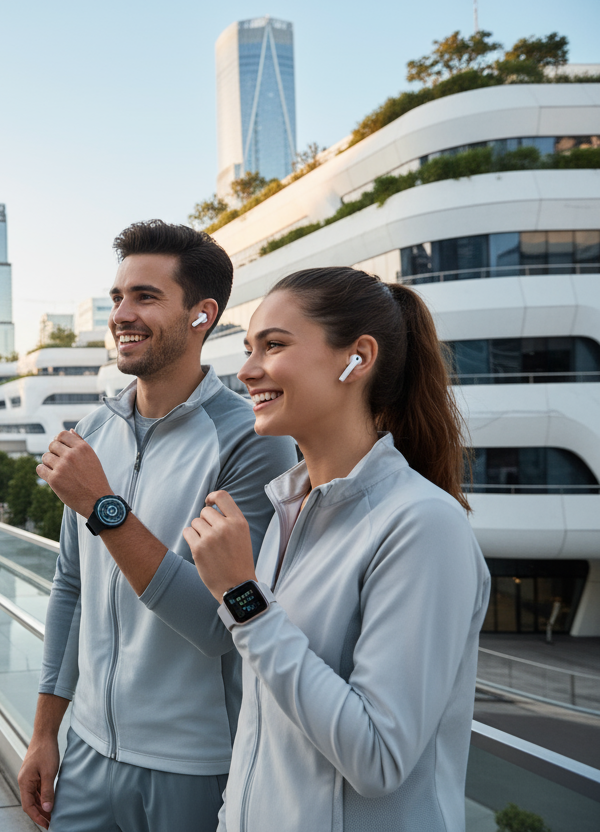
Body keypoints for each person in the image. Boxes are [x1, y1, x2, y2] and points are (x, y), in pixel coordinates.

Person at [185, 268, 490, 831]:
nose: (247, 370)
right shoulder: (289, 510)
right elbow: (264, 727)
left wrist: (242, 596)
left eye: (274, 345)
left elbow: (379, 758)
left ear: (358, 358)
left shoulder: (423, 524)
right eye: (249, 349)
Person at [18, 221, 297, 830]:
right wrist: (44, 733)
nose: (122, 314)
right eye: (118, 297)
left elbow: (221, 623)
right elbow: (70, 587)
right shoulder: (91, 432)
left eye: (145, 297)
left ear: (202, 315)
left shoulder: (251, 441)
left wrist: (104, 507)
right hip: (87, 751)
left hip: (195, 766)